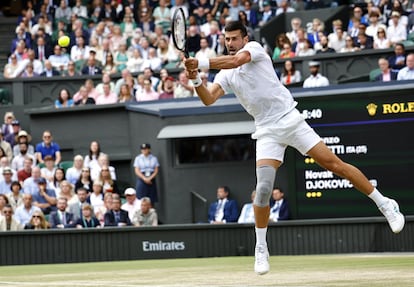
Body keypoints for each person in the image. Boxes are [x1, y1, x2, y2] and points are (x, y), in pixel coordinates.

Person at [183, 21, 405, 275]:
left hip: (290, 120)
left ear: (245, 39)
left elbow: (235, 61)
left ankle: (385, 203)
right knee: (264, 188)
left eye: (234, 39)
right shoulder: (224, 74)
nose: (230, 43)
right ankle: (261, 247)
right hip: (266, 131)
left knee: (335, 165)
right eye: (227, 39)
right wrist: (197, 80)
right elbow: (209, 99)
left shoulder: (254, 49)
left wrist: (199, 64)